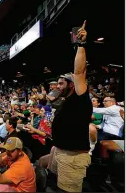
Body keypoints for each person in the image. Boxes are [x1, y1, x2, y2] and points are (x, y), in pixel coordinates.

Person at [51, 21, 92, 192]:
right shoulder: (66, 99)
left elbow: (79, 72)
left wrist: (81, 45)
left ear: (72, 85)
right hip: (61, 151)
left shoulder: (79, 97)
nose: (57, 86)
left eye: (61, 83)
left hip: (72, 157)